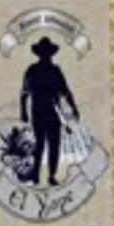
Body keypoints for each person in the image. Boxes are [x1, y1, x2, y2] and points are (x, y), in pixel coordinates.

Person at [20, 36, 79, 186]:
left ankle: (51, 175)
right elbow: (24, 93)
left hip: (52, 113)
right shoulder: (33, 70)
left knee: (53, 145)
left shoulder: (55, 71)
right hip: (39, 112)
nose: (45, 56)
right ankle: (36, 175)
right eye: (44, 53)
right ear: (40, 54)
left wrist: (74, 107)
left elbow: (65, 92)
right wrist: (23, 112)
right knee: (40, 144)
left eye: (47, 53)